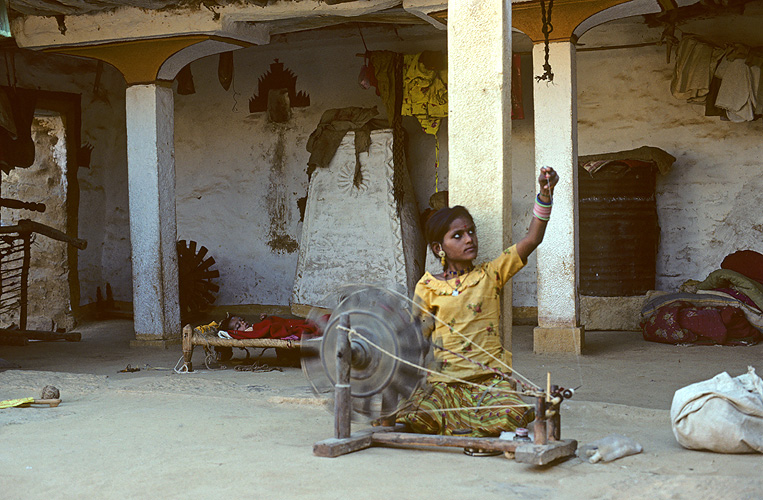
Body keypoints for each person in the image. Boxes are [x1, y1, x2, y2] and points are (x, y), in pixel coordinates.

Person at [395, 166, 559, 437]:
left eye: (471, 232)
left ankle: (468, 420)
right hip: (444, 385)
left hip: (490, 383)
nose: (469, 239)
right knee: (415, 415)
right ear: (439, 248)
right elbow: (417, 340)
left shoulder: (490, 274)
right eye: (457, 236)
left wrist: (545, 194)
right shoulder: (427, 286)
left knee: (511, 416)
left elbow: (532, 238)